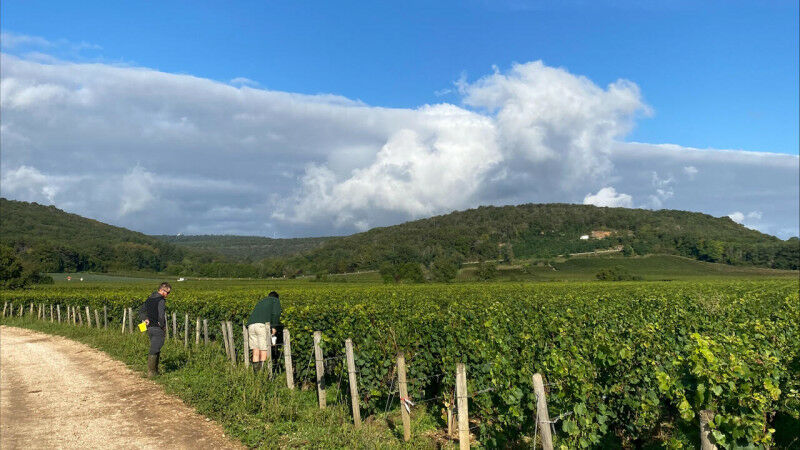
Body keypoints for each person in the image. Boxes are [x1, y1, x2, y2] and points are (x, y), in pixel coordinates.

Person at [138, 282, 170, 377]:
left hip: (149, 328)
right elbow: (161, 315)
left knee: (155, 347)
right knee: (155, 348)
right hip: (157, 327)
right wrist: (162, 326)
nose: (167, 295)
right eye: (167, 292)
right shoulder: (161, 300)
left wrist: (145, 318)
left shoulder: (149, 299)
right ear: (161, 290)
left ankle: (155, 371)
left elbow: (141, 311)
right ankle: (152, 373)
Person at [246, 291, 281, 372]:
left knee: (255, 351)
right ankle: (263, 375)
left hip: (251, 326)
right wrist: (274, 326)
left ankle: (256, 375)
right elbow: (276, 314)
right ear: (276, 297)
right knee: (264, 350)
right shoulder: (275, 301)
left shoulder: (261, 301)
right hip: (261, 326)